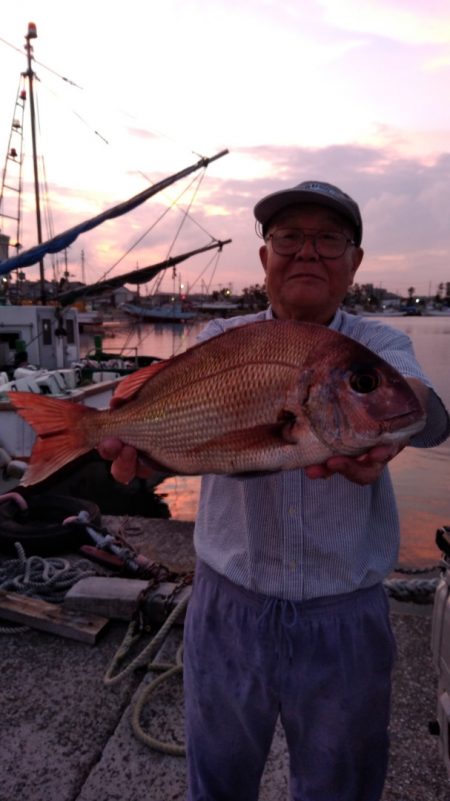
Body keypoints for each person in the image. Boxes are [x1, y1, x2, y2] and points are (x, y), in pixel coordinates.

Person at [98, 180, 450, 801]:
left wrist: (396, 423)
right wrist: (142, 456)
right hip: (228, 606)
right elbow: (172, 451)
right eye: (289, 237)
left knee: (341, 787)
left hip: (345, 613)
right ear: (264, 257)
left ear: (354, 262)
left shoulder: (381, 346)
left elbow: (426, 409)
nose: (307, 252)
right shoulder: (220, 342)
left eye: (328, 238)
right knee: (218, 781)